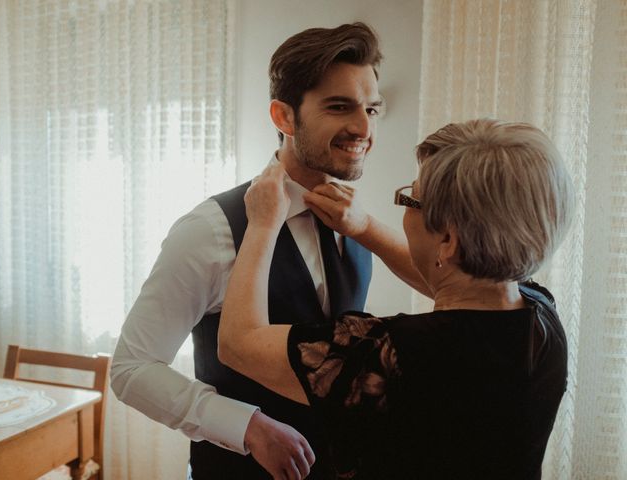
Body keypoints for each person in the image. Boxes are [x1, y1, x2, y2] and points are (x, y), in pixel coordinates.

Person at [218, 118, 574, 479]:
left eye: (412, 199)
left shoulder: (394, 354)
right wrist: (365, 228)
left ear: (448, 241)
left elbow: (238, 343)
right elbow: (459, 279)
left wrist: (262, 224)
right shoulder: (540, 313)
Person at [111, 22, 384, 480]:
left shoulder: (354, 221)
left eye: (372, 110)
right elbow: (131, 368)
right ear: (284, 117)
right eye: (340, 107)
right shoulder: (210, 229)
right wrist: (249, 427)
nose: (363, 127)